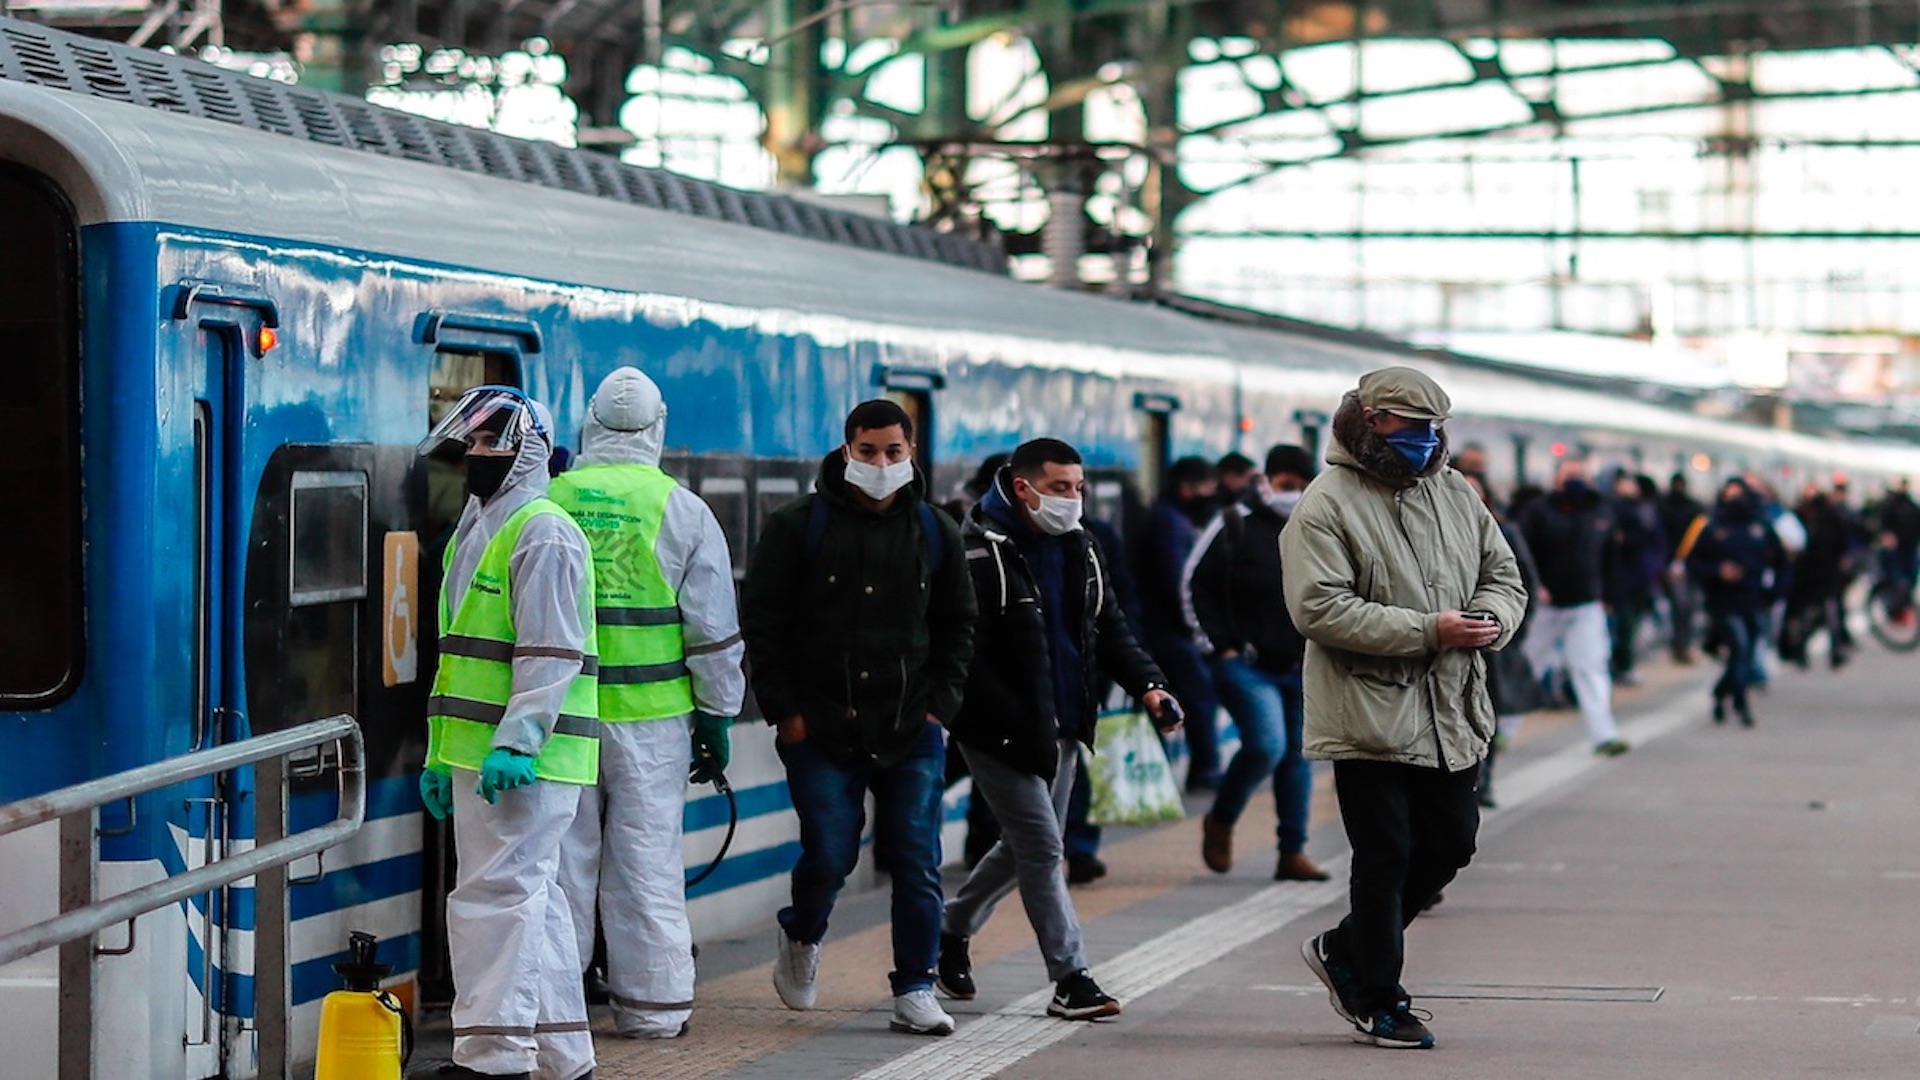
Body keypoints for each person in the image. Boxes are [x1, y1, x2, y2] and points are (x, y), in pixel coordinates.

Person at [1282, 367, 1526, 1051]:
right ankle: (1380, 999)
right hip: (1366, 710)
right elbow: (1318, 607)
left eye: (1433, 429)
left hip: (1449, 705)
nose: (1425, 440)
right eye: (1410, 427)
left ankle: (1343, 948)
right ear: (1369, 421)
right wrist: (1428, 631)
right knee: (1384, 854)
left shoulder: (1454, 492)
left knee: (1452, 843)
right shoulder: (1326, 504)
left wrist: (1488, 620)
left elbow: (1503, 576)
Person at [739, 400, 977, 1037]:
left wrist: (939, 709)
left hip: (911, 728)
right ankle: (803, 934)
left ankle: (916, 986)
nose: (880, 463)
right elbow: (763, 623)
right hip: (819, 728)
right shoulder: (798, 527)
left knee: (915, 858)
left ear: (911, 453)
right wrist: (785, 712)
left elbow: (959, 627)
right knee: (831, 852)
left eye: (893, 452)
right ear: (847, 451)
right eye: (868, 451)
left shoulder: (936, 531)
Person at [936, 438, 1181, 1021]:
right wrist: (989, 713)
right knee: (1045, 848)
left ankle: (948, 931)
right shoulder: (975, 552)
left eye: (1079, 488)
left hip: (1065, 723)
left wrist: (1150, 686)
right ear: (1022, 488)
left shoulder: (1081, 548)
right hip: (998, 728)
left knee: (1022, 847)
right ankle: (1072, 978)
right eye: (1059, 489)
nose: (1073, 500)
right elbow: (959, 648)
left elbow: (1110, 628)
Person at [551, 367, 746, 1040]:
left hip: (557, 719)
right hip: (654, 723)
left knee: (559, 866)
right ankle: (653, 1011)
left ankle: (555, 1013)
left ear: (589, 425)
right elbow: (712, 632)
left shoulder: (548, 499)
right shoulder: (683, 510)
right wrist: (718, 716)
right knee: (646, 864)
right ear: (658, 428)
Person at [417, 386, 599, 1080]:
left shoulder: (543, 530)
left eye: (493, 443)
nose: (477, 456)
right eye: (473, 443)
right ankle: (562, 1055)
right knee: (536, 901)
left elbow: (551, 651)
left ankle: (493, 1058)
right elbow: (460, 655)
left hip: (527, 758)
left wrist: (520, 740)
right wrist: (441, 753)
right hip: (482, 753)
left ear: (529, 449)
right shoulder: (480, 527)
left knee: (495, 897)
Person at [1183, 444, 1329, 882]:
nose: (1295, 493)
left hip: (1300, 662)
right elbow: (1194, 583)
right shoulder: (1233, 523)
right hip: (1244, 662)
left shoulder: (1319, 528)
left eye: (1303, 485)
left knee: (1298, 758)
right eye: (1287, 484)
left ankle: (1292, 851)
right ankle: (1222, 819)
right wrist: (1217, 645)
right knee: (1267, 745)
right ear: (1265, 480)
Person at [1517, 459, 1630, 757]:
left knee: (1591, 667)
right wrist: (1533, 587)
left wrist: (1609, 596)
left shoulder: (1602, 511)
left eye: (1579, 475)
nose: (1575, 481)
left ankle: (1604, 734)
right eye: (1569, 476)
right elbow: (1522, 554)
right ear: (1556, 479)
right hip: (1546, 606)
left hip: (1587, 604)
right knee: (1527, 667)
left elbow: (1611, 558)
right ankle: (1500, 730)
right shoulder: (1538, 512)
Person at [1134, 455, 1223, 789]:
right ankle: (1205, 770)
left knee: (1178, 699)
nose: (1209, 495)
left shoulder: (1168, 518)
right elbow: (1177, 580)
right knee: (1197, 697)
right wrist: (1195, 623)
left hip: (1163, 627)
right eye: (1205, 487)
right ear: (1188, 487)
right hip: (1168, 629)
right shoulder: (1169, 523)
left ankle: (1180, 771)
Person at [1687, 478, 1788, 727]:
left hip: (1753, 600)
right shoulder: (1711, 527)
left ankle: (1722, 692)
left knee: (1744, 652)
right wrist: (1718, 571)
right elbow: (1693, 563)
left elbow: (1782, 564)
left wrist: (1773, 593)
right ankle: (1740, 701)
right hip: (1722, 601)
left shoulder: (1761, 527)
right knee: (1739, 647)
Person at [1604, 472, 1667, 687]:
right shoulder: (1614, 509)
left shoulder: (1643, 512)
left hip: (1636, 577)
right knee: (1624, 624)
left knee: (1629, 623)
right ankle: (1621, 663)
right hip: (1623, 577)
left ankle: (1623, 663)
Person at [1659, 473, 1708, 664]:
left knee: (1681, 607)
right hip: (1686, 562)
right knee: (1685, 607)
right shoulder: (1695, 509)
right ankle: (1681, 644)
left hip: (1678, 562)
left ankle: (1680, 643)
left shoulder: (1663, 507)